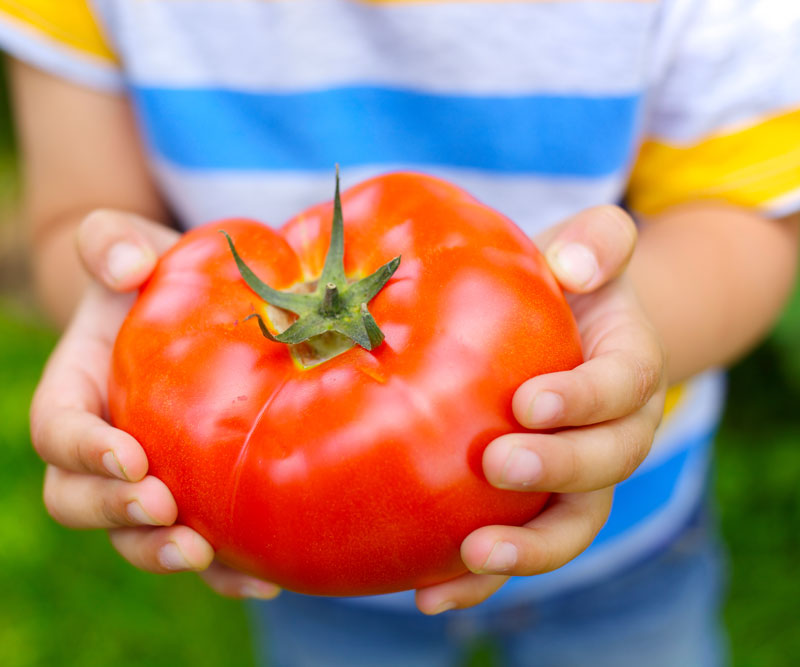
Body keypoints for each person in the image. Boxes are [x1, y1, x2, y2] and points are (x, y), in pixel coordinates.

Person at [1, 1, 798, 664]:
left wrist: (601, 352)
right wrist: (125, 318)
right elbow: (77, 216)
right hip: (304, 568)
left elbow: (749, 210)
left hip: (629, 537)